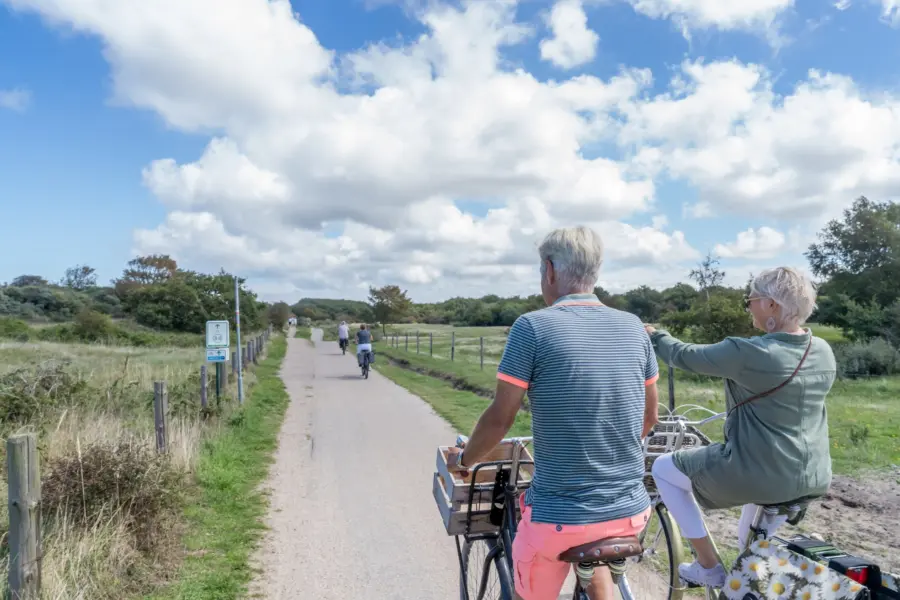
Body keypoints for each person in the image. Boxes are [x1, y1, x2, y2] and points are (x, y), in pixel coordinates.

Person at [447, 226, 659, 600]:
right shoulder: (633, 327)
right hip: (632, 513)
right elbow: (648, 418)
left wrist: (466, 459)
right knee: (595, 564)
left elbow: (501, 418)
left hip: (560, 520)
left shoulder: (532, 327)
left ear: (549, 270)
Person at [648, 267, 836, 588]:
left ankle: (707, 567)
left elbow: (682, 354)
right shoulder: (822, 351)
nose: (748, 305)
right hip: (813, 473)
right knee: (749, 554)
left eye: (752, 299)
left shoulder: (748, 353)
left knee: (664, 469)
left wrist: (654, 335)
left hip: (760, 471)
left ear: (773, 305)